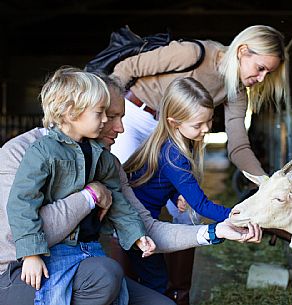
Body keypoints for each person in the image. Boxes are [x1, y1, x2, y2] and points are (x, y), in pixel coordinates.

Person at [0, 71, 262, 305]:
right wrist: (90, 196)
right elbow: (18, 230)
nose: (119, 127)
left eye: (117, 115)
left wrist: (215, 232)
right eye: (108, 115)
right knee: (106, 274)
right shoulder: (21, 153)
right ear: (77, 111)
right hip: (20, 270)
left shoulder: (105, 161)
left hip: (83, 262)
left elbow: (143, 222)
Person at [110, 25, 287, 304]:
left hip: (173, 131)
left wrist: (268, 185)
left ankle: (179, 292)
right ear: (242, 52)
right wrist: (111, 117)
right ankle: (120, 288)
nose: (262, 78)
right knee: (119, 201)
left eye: (269, 73)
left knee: (186, 211)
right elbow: (125, 68)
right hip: (133, 115)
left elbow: (238, 145)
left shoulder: (236, 90)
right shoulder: (194, 53)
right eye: (261, 68)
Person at [6, 67, 156, 305]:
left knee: (118, 297)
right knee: (53, 298)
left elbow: (117, 202)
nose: (107, 120)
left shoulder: (103, 157)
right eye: (100, 113)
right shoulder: (43, 151)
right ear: (70, 112)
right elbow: (22, 203)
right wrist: (31, 253)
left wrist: (136, 234)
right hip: (56, 251)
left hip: (91, 248)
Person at [122, 77, 233, 293]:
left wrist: (175, 195)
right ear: (175, 122)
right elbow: (201, 205)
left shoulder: (169, 142)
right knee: (157, 282)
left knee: (147, 277)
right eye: (198, 125)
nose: (207, 128)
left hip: (135, 219)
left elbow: (160, 178)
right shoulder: (175, 155)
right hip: (136, 224)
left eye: (209, 120)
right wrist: (239, 215)